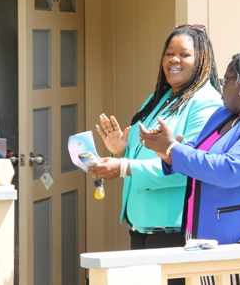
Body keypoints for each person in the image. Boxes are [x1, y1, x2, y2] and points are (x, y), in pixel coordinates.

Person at [140, 50, 240, 285]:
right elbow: (193, 152)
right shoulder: (223, 115)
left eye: (225, 80)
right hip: (208, 245)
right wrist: (168, 152)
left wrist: (174, 150)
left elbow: (230, 170)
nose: (221, 87)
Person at [88, 24, 221, 263]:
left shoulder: (206, 102)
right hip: (141, 222)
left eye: (184, 54)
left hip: (174, 228)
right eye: (169, 53)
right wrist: (120, 150)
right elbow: (147, 152)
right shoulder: (159, 98)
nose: (174, 59)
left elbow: (191, 167)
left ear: (202, 60)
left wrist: (122, 167)